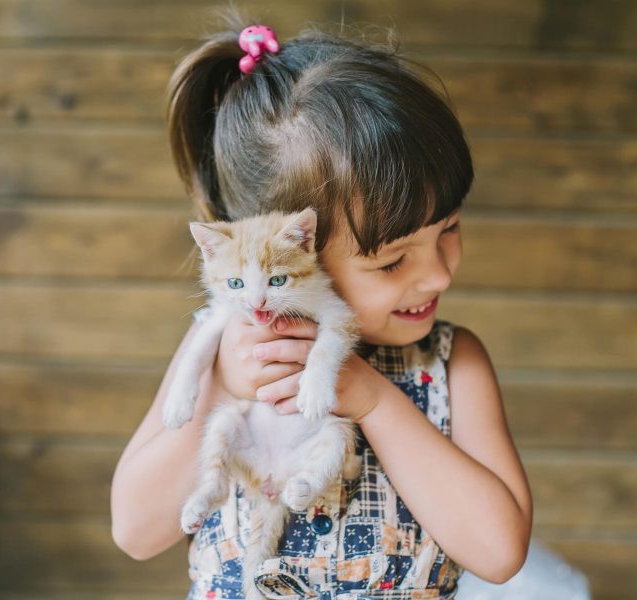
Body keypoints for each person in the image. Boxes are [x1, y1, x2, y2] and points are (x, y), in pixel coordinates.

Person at [111, 10, 533, 599]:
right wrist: (227, 385)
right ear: (292, 253)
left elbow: (499, 550)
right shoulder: (223, 350)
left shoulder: (451, 363)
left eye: (451, 228)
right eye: (391, 262)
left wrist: (372, 399)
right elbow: (135, 530)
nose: (438, 273)